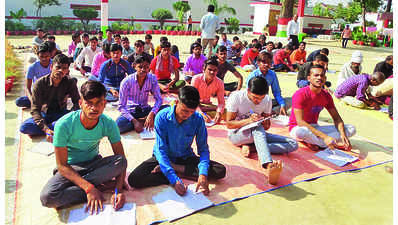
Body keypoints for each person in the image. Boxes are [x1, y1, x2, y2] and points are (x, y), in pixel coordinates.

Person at [40, 80, 128, 212]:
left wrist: (118, 190)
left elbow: (120, 158)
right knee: (47, 198)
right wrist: (89, 188)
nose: (94, 108)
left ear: (105, 104)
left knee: (120, 161)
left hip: (94, 163)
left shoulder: (108, 123)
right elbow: (62, 165)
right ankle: (99, 187)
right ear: (80, 103)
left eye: (99, 103)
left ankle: (78, 187)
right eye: (89, 103)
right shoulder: (64, 124)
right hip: (70, 168)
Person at [127, 86, 226, 196]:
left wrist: (202, 174)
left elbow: (203, 149)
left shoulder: (197, 119)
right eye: (184, 110)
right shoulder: (162, 117)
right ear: (177, 102)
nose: (187, 115)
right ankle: (176, 172)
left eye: (191, 112)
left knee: (220, 170)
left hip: (185, 156)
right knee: (134, 179)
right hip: (164, 157)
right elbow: (161, 150)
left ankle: (176, 169)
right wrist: (174, 180)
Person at [226, 76, 298, 185]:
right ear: (248, 91)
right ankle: (268, 164)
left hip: (257, 135)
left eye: (261, 98)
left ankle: (252, 148)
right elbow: (229, 124)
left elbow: (267, 127)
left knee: (293, 144)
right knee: (257, 128)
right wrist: (249, 120)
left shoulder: (267, 100)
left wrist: (264, 121)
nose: (258, 101)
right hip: (237, 135)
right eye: (255, 98)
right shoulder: (236, 97)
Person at [289, 65, 356, 151]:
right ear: (309, 78)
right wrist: (325, 137)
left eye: (322, 75)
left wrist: (343, 135)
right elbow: (300, 122)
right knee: (301, 132)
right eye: (316, 75)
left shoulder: (326, 95)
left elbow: (337, 119)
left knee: (351, 129)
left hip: (315, 128)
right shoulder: (300, 94)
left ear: (325, 78)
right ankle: (326, 143)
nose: (319, 78)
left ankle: (316, 142)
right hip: (298, 128)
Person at [19, 54, 80, 141]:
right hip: (45, 114)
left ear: (67, 70)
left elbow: (77, 102)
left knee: (77, 120)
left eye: (64, 68)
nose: (60, 70)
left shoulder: (70, 82)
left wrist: (73, 114)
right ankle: (55, 127)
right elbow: (35, 110)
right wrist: (46, 129)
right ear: (51, 67)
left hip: (61, 113)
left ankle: (54, 126)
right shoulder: (40, 84)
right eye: (58, 67)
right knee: (24, 127)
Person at [117, 56, 168, 133]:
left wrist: (151, 114)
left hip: (146, 110)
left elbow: (159, 99)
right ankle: (141, 121)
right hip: (131, 111)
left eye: (146, 67)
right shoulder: (126, 81)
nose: (143, 70)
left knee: (168, 109)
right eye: (140, 67)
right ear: (134, 66)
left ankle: (145, 120)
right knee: (118, 126)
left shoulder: (152, 78)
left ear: (149, 67)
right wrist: (134, 121)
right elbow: (121, 106)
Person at [15, 44, 52, 108]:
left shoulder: (55, 64)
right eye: (41, 56)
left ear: (50, 55)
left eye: (46, 56)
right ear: (37, 55)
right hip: (38, 94)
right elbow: (28, 88)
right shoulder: (32, 67)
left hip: (52, 93)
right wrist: (33, 101)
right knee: (19, 101)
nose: (44, 59)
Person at [192, 57, 225, 124]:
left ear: (217, 71)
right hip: (194, 104)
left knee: (226, 112)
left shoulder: (220, 82)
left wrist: (218, 112)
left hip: (207, 105)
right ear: (204, 69)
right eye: (209, 69)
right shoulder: (196, 79)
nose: (212, 72)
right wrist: (201, 113)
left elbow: (221, 103)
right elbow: (191, 100)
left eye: (215, 70)